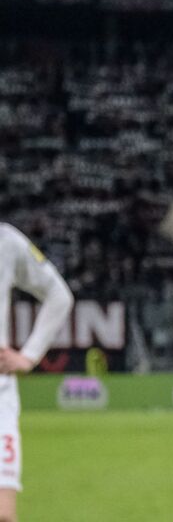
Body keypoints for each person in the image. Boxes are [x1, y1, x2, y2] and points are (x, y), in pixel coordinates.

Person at [0, 223, 74, 522]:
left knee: (4, 514)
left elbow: (59, 295)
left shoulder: (7, 241)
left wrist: (29, 355)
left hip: (0, 395)